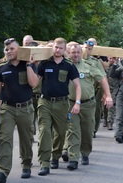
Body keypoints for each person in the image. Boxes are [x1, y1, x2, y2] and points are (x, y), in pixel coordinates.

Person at [0, 38, 39, 182]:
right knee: (5, 139)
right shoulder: (2, 67)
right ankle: (2, 172)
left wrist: (28, 65)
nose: (9, 51)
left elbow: (34, 84)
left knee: (26, 139)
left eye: (12, 49)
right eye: (7, 49)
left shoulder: (29, 65)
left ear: (19, 50)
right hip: (7, 109)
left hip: (25, 108)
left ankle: (26, 164)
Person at [63, 43, 113, 170]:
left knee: (87, 131)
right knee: (73, 130)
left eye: (78, 52)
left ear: (81, 53)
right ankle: (74, 158)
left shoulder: (89, 66)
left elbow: (102, 79)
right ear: (69, 53)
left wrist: (108, 95)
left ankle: (85, 153)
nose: (75, 55)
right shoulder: (65, 66)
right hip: (71, 103)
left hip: (88, 104)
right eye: (73, 52)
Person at [37, 37, 81, 176]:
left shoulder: (69, 65)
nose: (57, 50)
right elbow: (35, 81)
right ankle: (44, 163)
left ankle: (55, 156)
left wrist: (77, 102)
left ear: (64, 50)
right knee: (45, 131)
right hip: (45, 102)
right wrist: (30, 64)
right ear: (53, 47)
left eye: (61, 48)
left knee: (61, 133)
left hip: (62, 103)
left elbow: (77, 85)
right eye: (56, 47)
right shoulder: (44, 64)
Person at [82, 39, 106, 138]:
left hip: (98, 86)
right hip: (86, 87)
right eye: (86, 48)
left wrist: (106, 93)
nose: (88, 50)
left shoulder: (99, 58)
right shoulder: (78, 57)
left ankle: (93, 130)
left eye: (90, 48)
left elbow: (105, 69)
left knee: (96, 109)